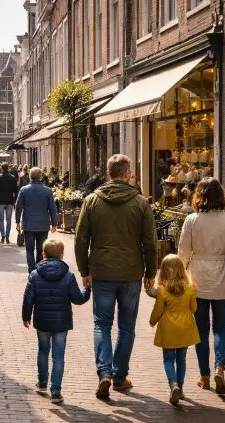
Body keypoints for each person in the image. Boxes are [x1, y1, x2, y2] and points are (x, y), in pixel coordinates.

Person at [74, 154, 157, 399]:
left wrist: (84, 271)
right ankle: (119, 376)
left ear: (108, 173)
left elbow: (80, 239)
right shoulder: (141, 203)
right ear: (128, 172)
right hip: (131, 272)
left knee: (101, 324)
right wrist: (151, 272)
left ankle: (105, 373)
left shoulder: (91, 201)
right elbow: (150, 242)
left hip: (102, 272)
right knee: (127, 326)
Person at [178, 177, 225, 395]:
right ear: (221, 195)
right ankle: (220, 367)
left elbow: (183, 252)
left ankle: (204, 375)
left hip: (198, 279)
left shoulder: (192, 220)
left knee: (200, 330)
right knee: (220, 328)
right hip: (224, 280)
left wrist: (183, 274)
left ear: (199, 196)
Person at [22, 239, 91, 404]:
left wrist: (26, 316)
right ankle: (56, 391)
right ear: (61, 255)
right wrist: (87, 289)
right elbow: (78, 299)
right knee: (58, 356)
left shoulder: (34, 275)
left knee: (43, 350)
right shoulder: (68, 276)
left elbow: (28, 299)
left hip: (42, 321)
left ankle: (42, 382)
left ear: (43, 254)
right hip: (61, 323)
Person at [149, 254, 200, 405]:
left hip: (168, 328)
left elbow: (158, 310)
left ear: (164, 271)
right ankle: (181, 387)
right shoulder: (190, 288)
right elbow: (194, 308)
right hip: (185, 328)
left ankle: (173, 384)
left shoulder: (163, 290)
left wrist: (152, 321)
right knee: (181, 358)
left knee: (168, 359)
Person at [15, 167, 59, 272]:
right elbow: (53, 208)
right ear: (41, 177)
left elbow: (18, 207)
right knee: (41, 250)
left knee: (29, 250)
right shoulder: (47, 190)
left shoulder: (24, 190)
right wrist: (54, 223)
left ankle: (31, 270)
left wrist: (17, 221)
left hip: (28, 224)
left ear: (30, 176)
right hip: (43, 225)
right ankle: (39, 270)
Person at [0, 163, 19, 244]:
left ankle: (3, 236)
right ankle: (7, 237)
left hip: (0, 200)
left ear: (1, 168)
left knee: (1, 219)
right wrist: (15, 201)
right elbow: (16, 191)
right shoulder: (13, 178)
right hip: (10, 201)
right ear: (8, 168)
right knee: (8, 220)